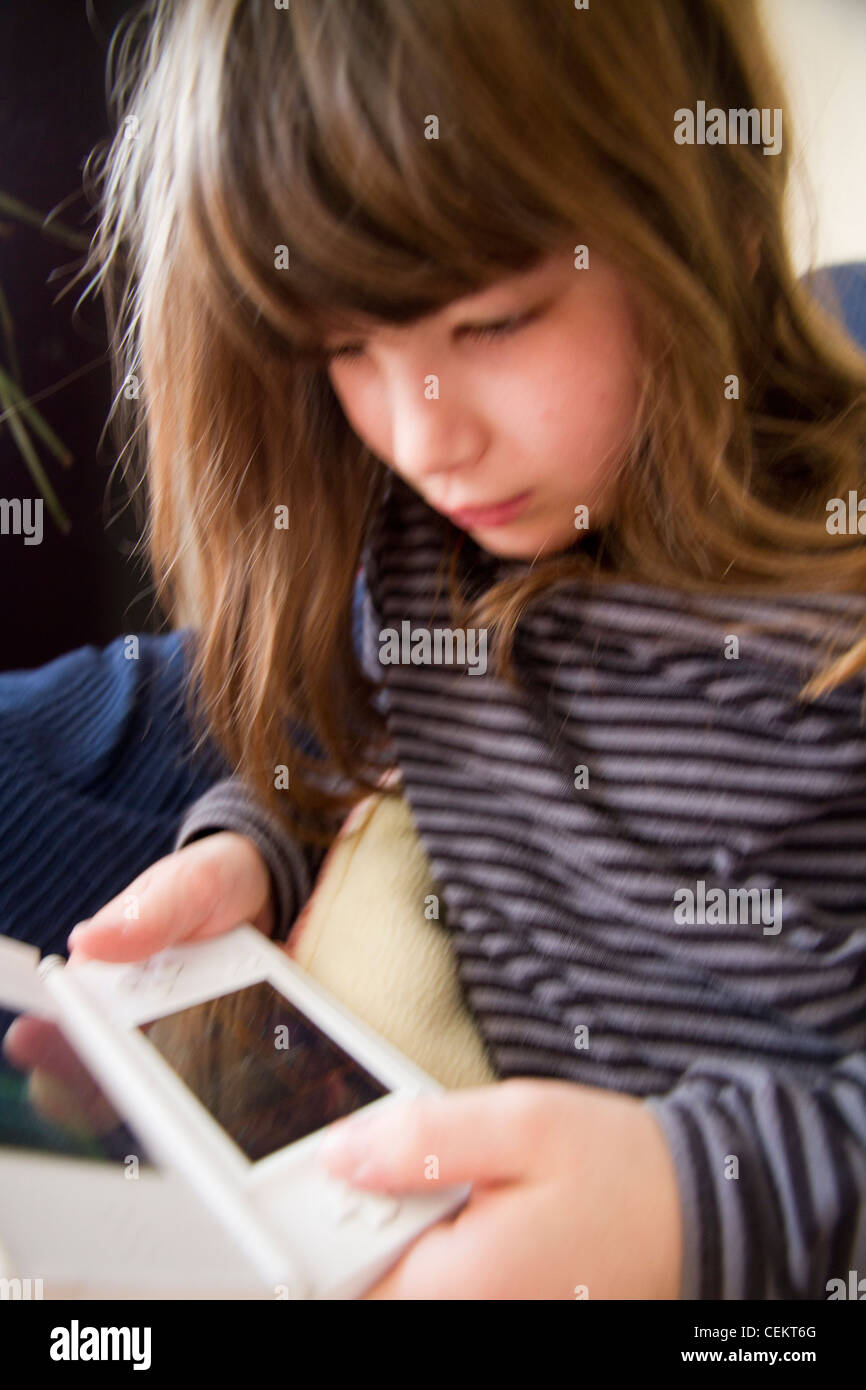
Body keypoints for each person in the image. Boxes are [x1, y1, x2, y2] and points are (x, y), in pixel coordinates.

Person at [7, 0, 866, 1299]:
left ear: (716, 217)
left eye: (494, 323)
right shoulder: (425, 552)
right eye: (348, 346)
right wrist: (249, 857)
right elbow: (338, 740)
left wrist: (689, 1203)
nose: (420, 440)